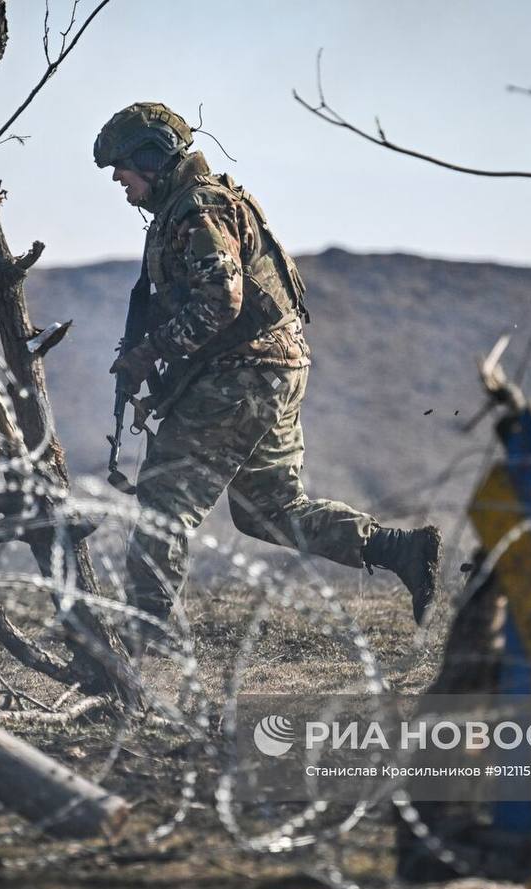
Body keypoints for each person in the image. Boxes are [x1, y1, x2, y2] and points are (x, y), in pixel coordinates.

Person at [94, 101, 442, 636]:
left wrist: (149, 351)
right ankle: (401, 550)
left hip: (244, 374)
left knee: (164, 502)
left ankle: (144, 640)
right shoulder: (191, 207)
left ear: (151, 156)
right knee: (268, 509)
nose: (118, 179)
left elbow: (221, 301)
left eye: (122, 165)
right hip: (269, 368)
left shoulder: (197, 209)